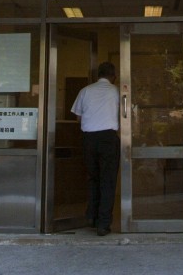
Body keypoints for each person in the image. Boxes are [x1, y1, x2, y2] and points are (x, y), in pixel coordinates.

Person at [70, 61, 120, 236]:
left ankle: (91, 216)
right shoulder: (116, 92)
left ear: (97, 75)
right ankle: (103, 223)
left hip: (89, 139)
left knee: (93, 178)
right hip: (108, 138)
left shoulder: (85, 91)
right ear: (113, 76)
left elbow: (77, 117)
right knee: (108, 180)